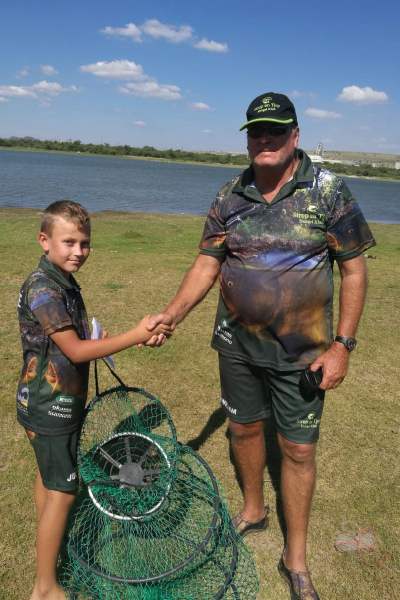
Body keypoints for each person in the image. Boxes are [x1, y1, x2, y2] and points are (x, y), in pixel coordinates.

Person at [146, 92, 376, 599]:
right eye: (256, 131)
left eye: (275, 130)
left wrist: (342, 346)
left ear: (295, 135)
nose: (265, 139)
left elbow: (355, 271)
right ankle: (254, 509)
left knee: (297, 449)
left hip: (304, 353)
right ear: (247, 138)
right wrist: (173, 314)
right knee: (244, 429)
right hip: (237, 345)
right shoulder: (229, 195)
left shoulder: (328, 191)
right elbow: (207, 263)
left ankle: (296, 558)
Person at [16, 200, 171, 600]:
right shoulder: (43, 288)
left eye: (84, 243)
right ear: (44, 240)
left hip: (50, 403)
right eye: (69, 242)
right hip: (50, 407)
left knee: (50, 478)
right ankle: (45, 588)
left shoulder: (62, 281)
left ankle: (50, 541)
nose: (78, 251)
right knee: (64, 489)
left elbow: (79, 342)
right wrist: (135, 335)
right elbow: (75, 351)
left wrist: (120, 339)